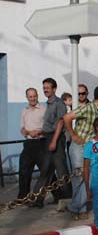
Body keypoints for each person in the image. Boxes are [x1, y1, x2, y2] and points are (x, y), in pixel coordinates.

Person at [62, 86, 98, 220]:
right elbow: (67, 117)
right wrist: (73, 135)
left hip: (91, 148)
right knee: (79, 177)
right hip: (78, 146)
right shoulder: (87, 108)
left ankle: (75, 207)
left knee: (89, 178)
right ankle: (80, 209)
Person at [31, 78, 72, 208]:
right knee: (46, 170)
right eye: (44, 88)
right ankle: (38, 199)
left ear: (54, 88)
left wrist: (54, 141)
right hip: (48, 137)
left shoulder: (59, 103)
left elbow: (60, 122)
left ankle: (68, 198)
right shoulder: (48, 103)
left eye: (48, 87)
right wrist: (41, 132)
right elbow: (50, 124)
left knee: (61, 170)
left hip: (56, 139)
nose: (45, 90)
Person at [18, 88, 46, 200]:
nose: (32, 98)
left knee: (46, 171)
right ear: (27, 98)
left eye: (34, 96)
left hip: (40, 143)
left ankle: (59, 195)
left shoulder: (44, 109)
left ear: (37, 96)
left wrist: (39, 131)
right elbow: (22, 128)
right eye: (30, 97)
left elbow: (48, 127)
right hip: (28, 143)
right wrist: (25, 131)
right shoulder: (24, 110)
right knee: (24, 170)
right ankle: (22, 197)